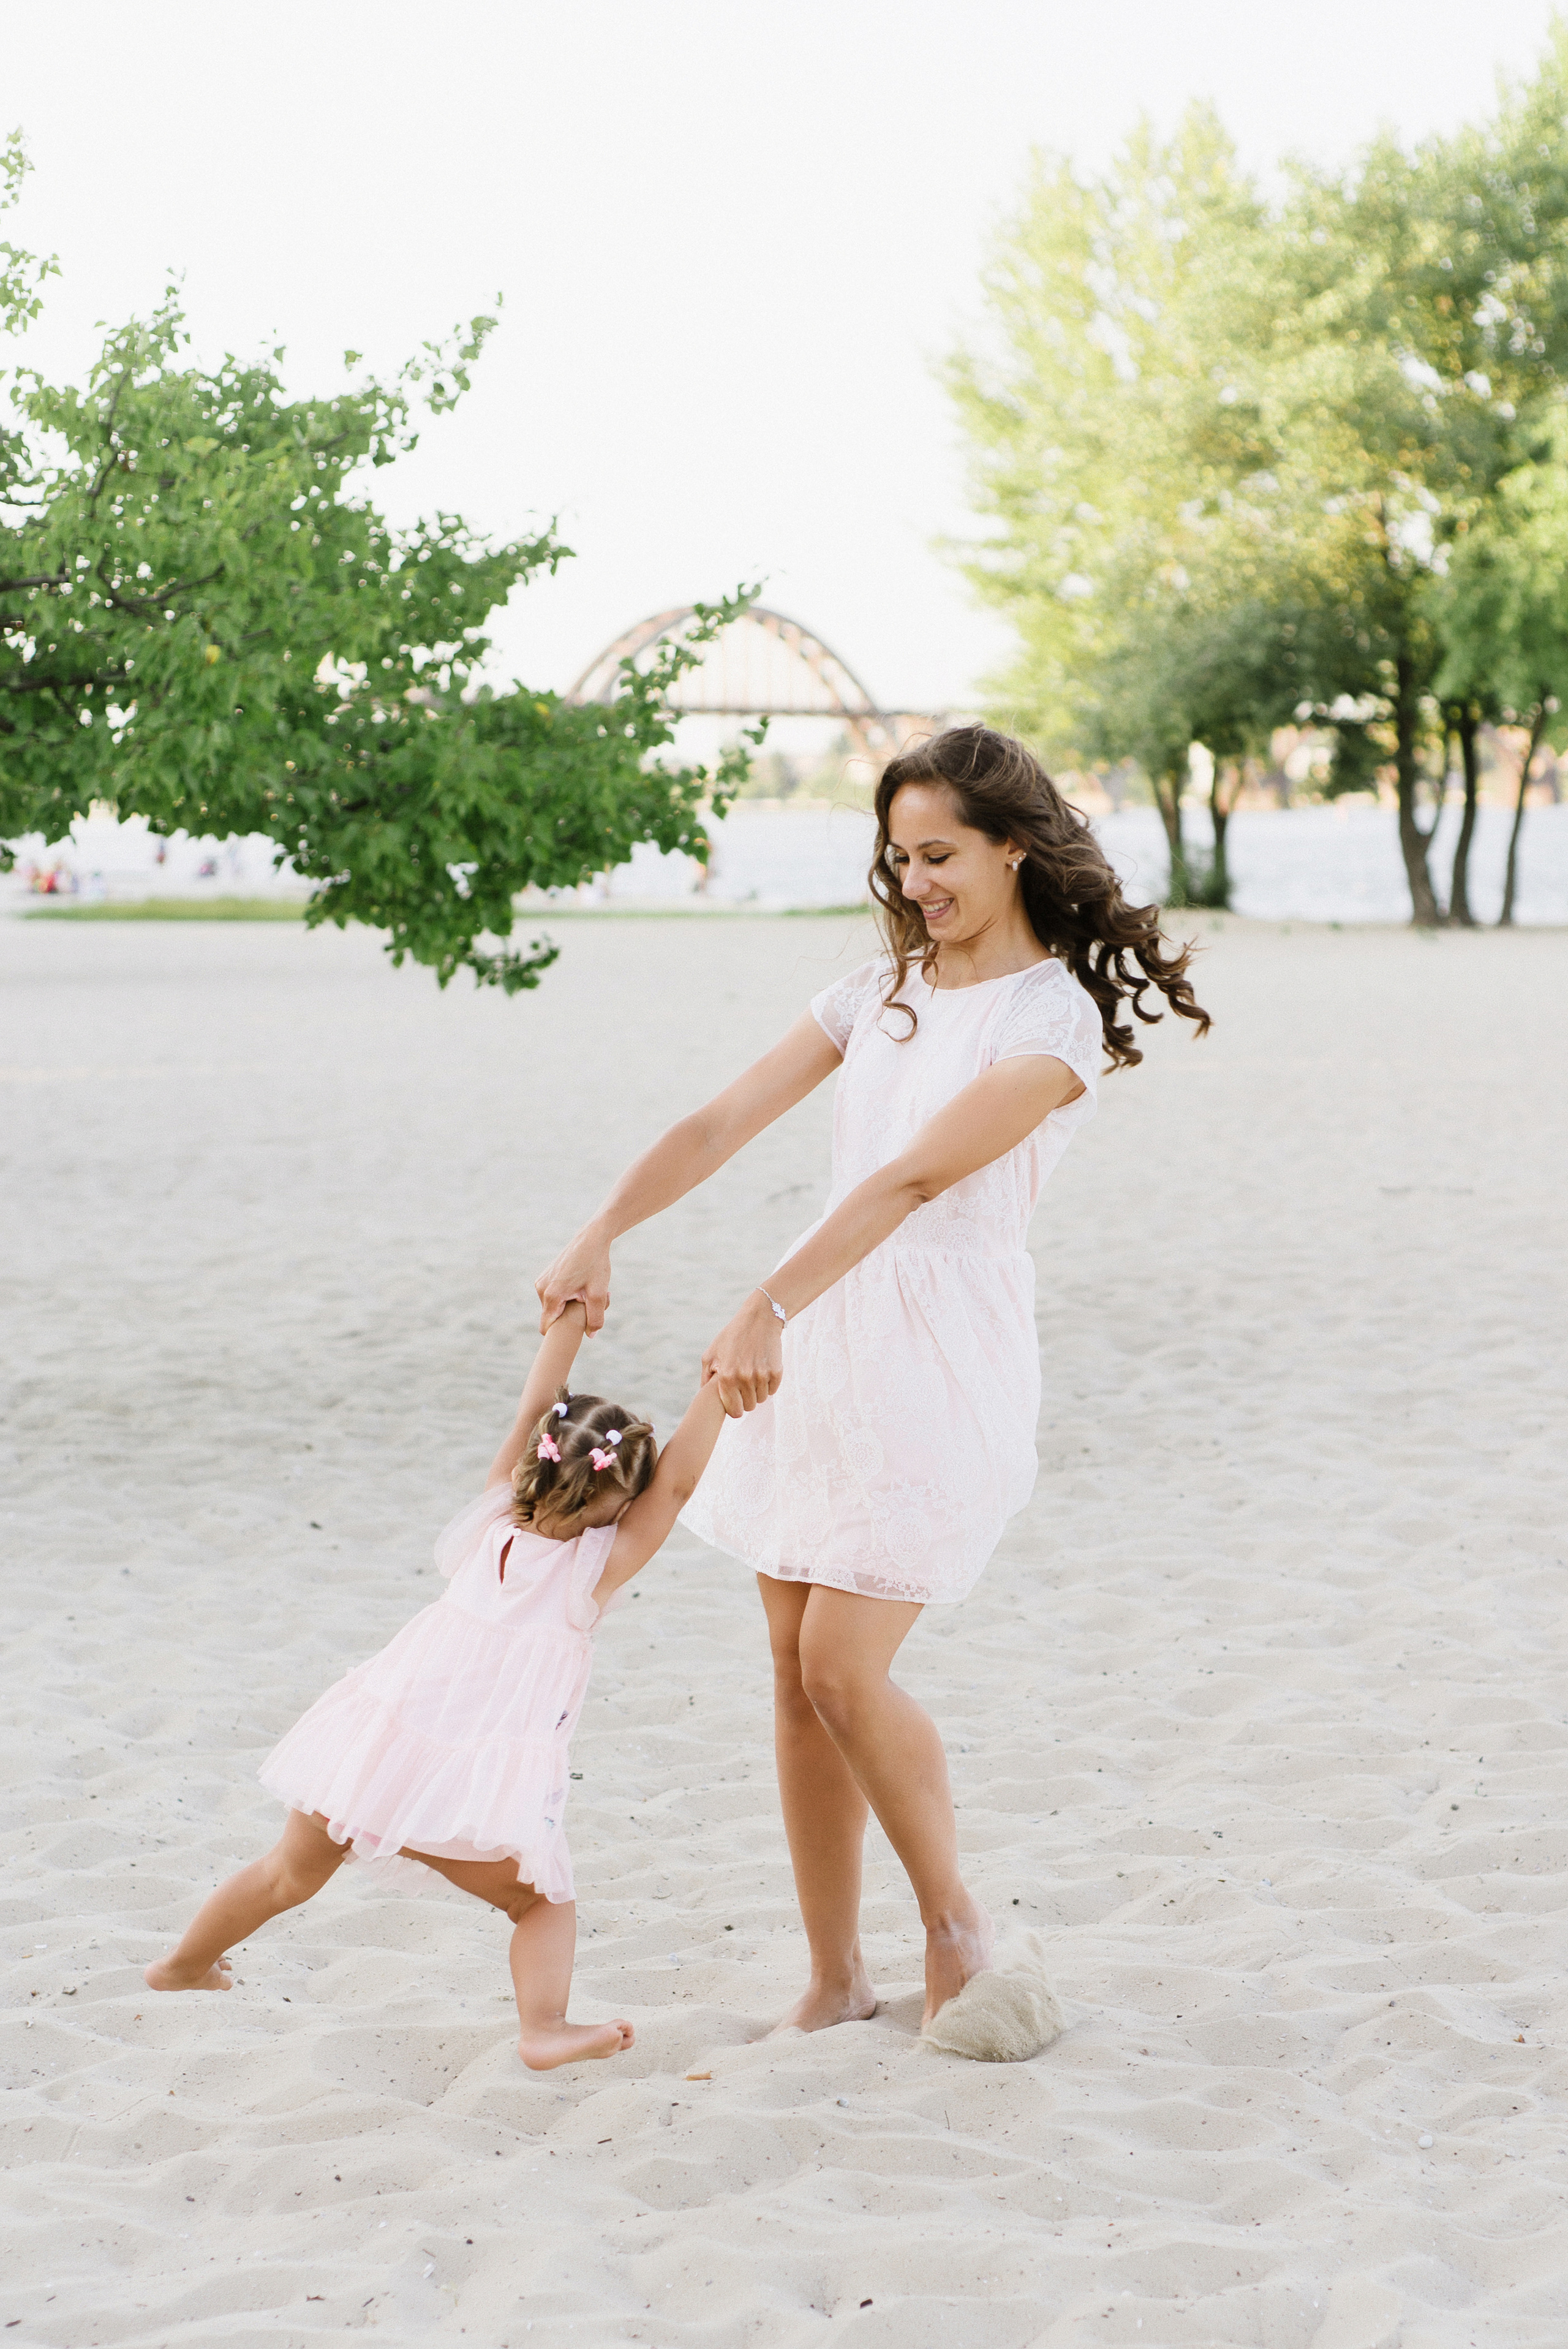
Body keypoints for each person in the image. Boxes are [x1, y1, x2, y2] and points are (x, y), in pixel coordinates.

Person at [537, 724, 1210, 2038]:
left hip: (928, 1349)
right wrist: (602, 1227)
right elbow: (717, 1123)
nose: (915, 882)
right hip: (812, 1345)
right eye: (897, 857)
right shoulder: (875, 993)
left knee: (846, 1664)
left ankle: (955, 1923)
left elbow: (911, 1184)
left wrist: (763, 1300)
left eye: (941, 855)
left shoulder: (1050, 1020)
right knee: (791, 1671)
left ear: (1015, 846)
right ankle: (833, 1976)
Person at [145, 1301, 728, 2071]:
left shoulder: (490, 1518)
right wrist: (719, 1382)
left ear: (534, 1462)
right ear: (613, 1505)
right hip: (450, 1778)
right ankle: (542, 2029)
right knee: (539, 1902)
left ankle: (181, 1966)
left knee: (288, 1872)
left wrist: (569, 1321)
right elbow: (679, 1486)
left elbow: (533, 1403)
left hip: (368, 1743)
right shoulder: (594, 1569)